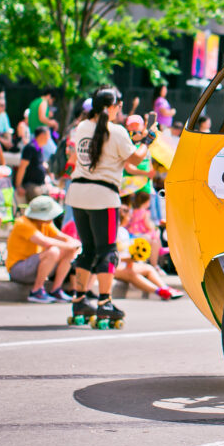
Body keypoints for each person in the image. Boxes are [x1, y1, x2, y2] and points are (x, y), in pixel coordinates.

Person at [64, 87, 155, 328]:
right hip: (103, 196)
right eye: (120, 106)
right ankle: (105, 302)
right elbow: (135, 159)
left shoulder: (81, 128)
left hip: (78, 193)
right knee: (107, 251)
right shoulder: (116, 132)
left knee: (88, 250)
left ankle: (79, 300)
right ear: (113, 107)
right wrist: (148, 140)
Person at [6, 195, 81, 303]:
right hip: (18, 269)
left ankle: (56, 290)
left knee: (69, 251)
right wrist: (70, 245)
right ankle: (36, 291)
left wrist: (74, 244)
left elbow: (63, 237)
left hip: (36, 266)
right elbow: (44, 241)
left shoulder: (46, 223)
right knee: (53, 251)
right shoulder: (22, 223)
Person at [113, 206, 182, 299]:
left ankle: (165, 288)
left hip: (127, 264)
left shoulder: (124, 231)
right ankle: (159, 291)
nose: (129, 219)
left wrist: (134, 258)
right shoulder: (114, 232)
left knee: (148, 268)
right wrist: (129, 259)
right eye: (128, 217)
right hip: (116, 266)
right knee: (132, 274)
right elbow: (113, 255)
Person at [16, 126, 51, 201]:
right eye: (48, 136)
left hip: (41, 184)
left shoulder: (40, 149)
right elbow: (22, 167)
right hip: (31, 184)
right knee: (39, 202)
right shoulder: (30, 148)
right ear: (42, 135)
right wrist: (18, 186)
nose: (48, 138)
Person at [26, 88, 59, 160]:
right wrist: (53, 123)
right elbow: (42, 118)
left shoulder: (34, 102)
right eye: (52, 100)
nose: (51, 103)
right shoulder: (43, 102)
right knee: (54, 153)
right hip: (42, 135)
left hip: (32, 134)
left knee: (39, 158)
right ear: (49, 96)